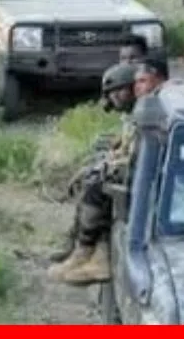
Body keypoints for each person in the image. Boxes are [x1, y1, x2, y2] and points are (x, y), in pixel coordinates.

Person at [47, 63, 139, 284]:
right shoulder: (131, 117)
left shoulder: (143, 116)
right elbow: (122, 149)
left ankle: (90, 251)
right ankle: (81, 248)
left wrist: (102, 168)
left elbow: (134, 156)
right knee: (91, 178)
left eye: (117, 92)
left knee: (96, 188)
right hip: (130, 168)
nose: (114, 99)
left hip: (140, 176)